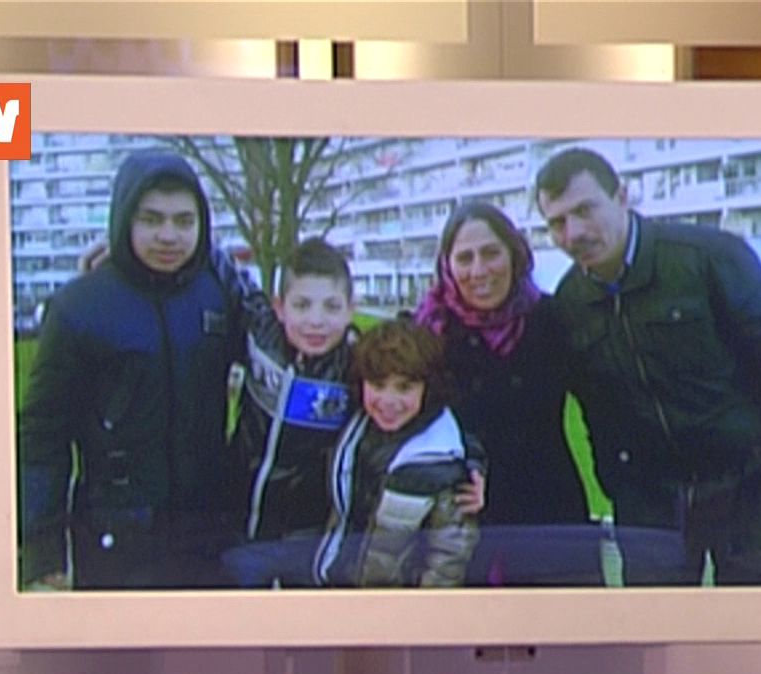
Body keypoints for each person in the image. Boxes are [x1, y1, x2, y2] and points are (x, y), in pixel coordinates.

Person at [534, 146, 761, 586]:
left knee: (758, 621)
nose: (574, 232)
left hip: (750, 492)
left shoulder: (707, 256)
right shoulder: (569, 301)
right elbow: (594, 409)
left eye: (585, 210)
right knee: (660, 626)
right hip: (650, 508)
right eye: (557, 222)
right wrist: (618, 485)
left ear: (622, 196)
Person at [18, 150, 242, 589]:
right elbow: (42, 437)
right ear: (124, 220)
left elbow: (280, 351)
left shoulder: (219, 296)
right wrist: (42, 552)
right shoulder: (78, 307)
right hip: (114, 541)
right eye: (151, 219)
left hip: (208, 538)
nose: (168, 235)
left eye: (184, 221)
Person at [411, 201, 602, 586]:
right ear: (447, 265)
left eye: (491, 253)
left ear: (514, 254)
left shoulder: (552, 320)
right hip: (459, 527)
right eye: (464, 258)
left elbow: (605, 407)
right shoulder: (429, 336)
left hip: (548, 516)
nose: (479, 270)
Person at [221, 237, 358, 588]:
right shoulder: (260, 333)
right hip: (240, 524)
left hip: (309, 539)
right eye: (302, 305)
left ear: (350, 310)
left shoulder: (359, 366)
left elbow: (420, 392)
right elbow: (223, 268)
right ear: (280, 308)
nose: (316, 321)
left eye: (331, 307)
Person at [314, 318, 482, 588]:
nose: (389, 401)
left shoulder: (444, 464)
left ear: (428, 388)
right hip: (338, 584)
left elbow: (448, 558)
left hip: (394, 603)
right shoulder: (358, 425)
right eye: (378, 385)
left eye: (404, 387)